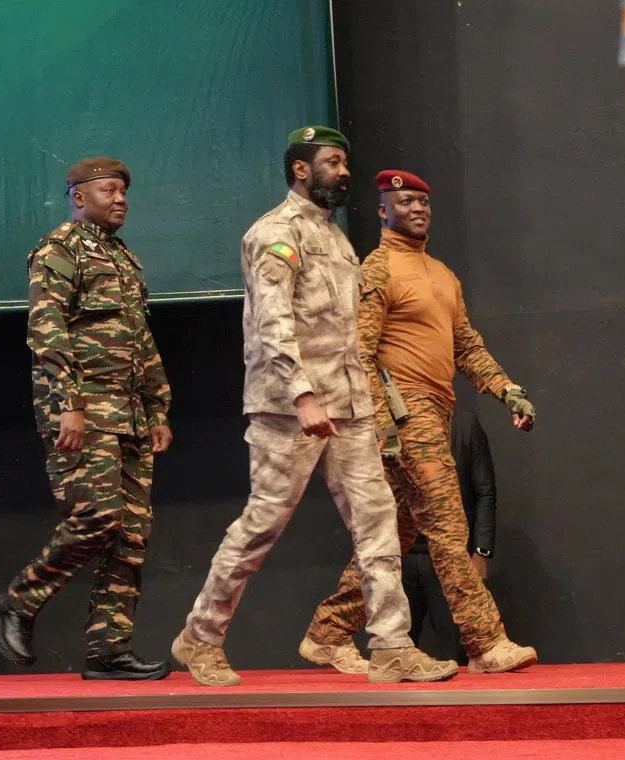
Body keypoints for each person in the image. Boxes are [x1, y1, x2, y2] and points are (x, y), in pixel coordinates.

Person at [171, 128, 457, 686]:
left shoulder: (337, 239)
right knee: (263, 522)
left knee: (378, 521)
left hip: (349, 408)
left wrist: (364, 402)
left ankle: (392, 646)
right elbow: (273, 322)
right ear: (301, 169)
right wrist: (302, 394)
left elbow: (348, 334)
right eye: (332, 161)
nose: (344, 171)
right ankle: (200, 637)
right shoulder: (274, 233)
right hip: (288, 410)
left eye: (345, 161)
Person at [302, 169, 536, 674]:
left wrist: (508, 390)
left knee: (392, 536)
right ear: (382, 211)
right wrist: (382, 424)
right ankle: (486, 643)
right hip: (405, 414)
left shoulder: (442, 274)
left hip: (434, 411)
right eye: (405, 201)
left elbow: (467, 345)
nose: (417, 209)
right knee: (449, 525)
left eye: (423, 202)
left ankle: (327, 632)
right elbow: (359, 354)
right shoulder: (377, 269)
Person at [0, 157, 174, 681]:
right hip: (84, 410)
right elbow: (47, 330)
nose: (121, 199)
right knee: (98, 516)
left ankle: (108, 651)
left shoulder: (122, 257)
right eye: (108, 190)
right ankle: (18, 601)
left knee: (130, 536)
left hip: (129, 414)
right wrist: (68, 403)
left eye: (124, 191)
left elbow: (141, 340)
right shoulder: (60, 248)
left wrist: (157, 407)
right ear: (78, 197)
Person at [404, 407, 496, 661]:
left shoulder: (464, 423)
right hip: (399, 553)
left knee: (455, 649)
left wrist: (481, 551)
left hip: (451, 555)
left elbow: (485, 491)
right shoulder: (388, 421)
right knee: (394, 648)